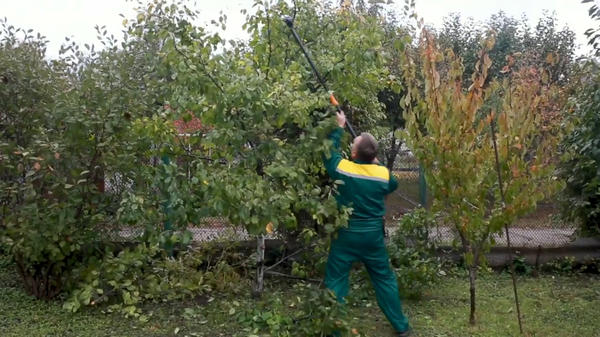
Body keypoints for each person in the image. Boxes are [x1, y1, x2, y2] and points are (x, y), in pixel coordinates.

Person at [322, 110, 410, 337]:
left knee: (336, 279)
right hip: (373, 237)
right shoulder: (382, 174)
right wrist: (377, 165)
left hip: (346, 235)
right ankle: (401, 326)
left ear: (353, 152)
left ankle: (335, 332)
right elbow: (392, 185)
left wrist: (338, 127)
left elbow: (328, 154)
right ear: (373, 154)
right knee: (384, 279)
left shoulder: (344, 168)